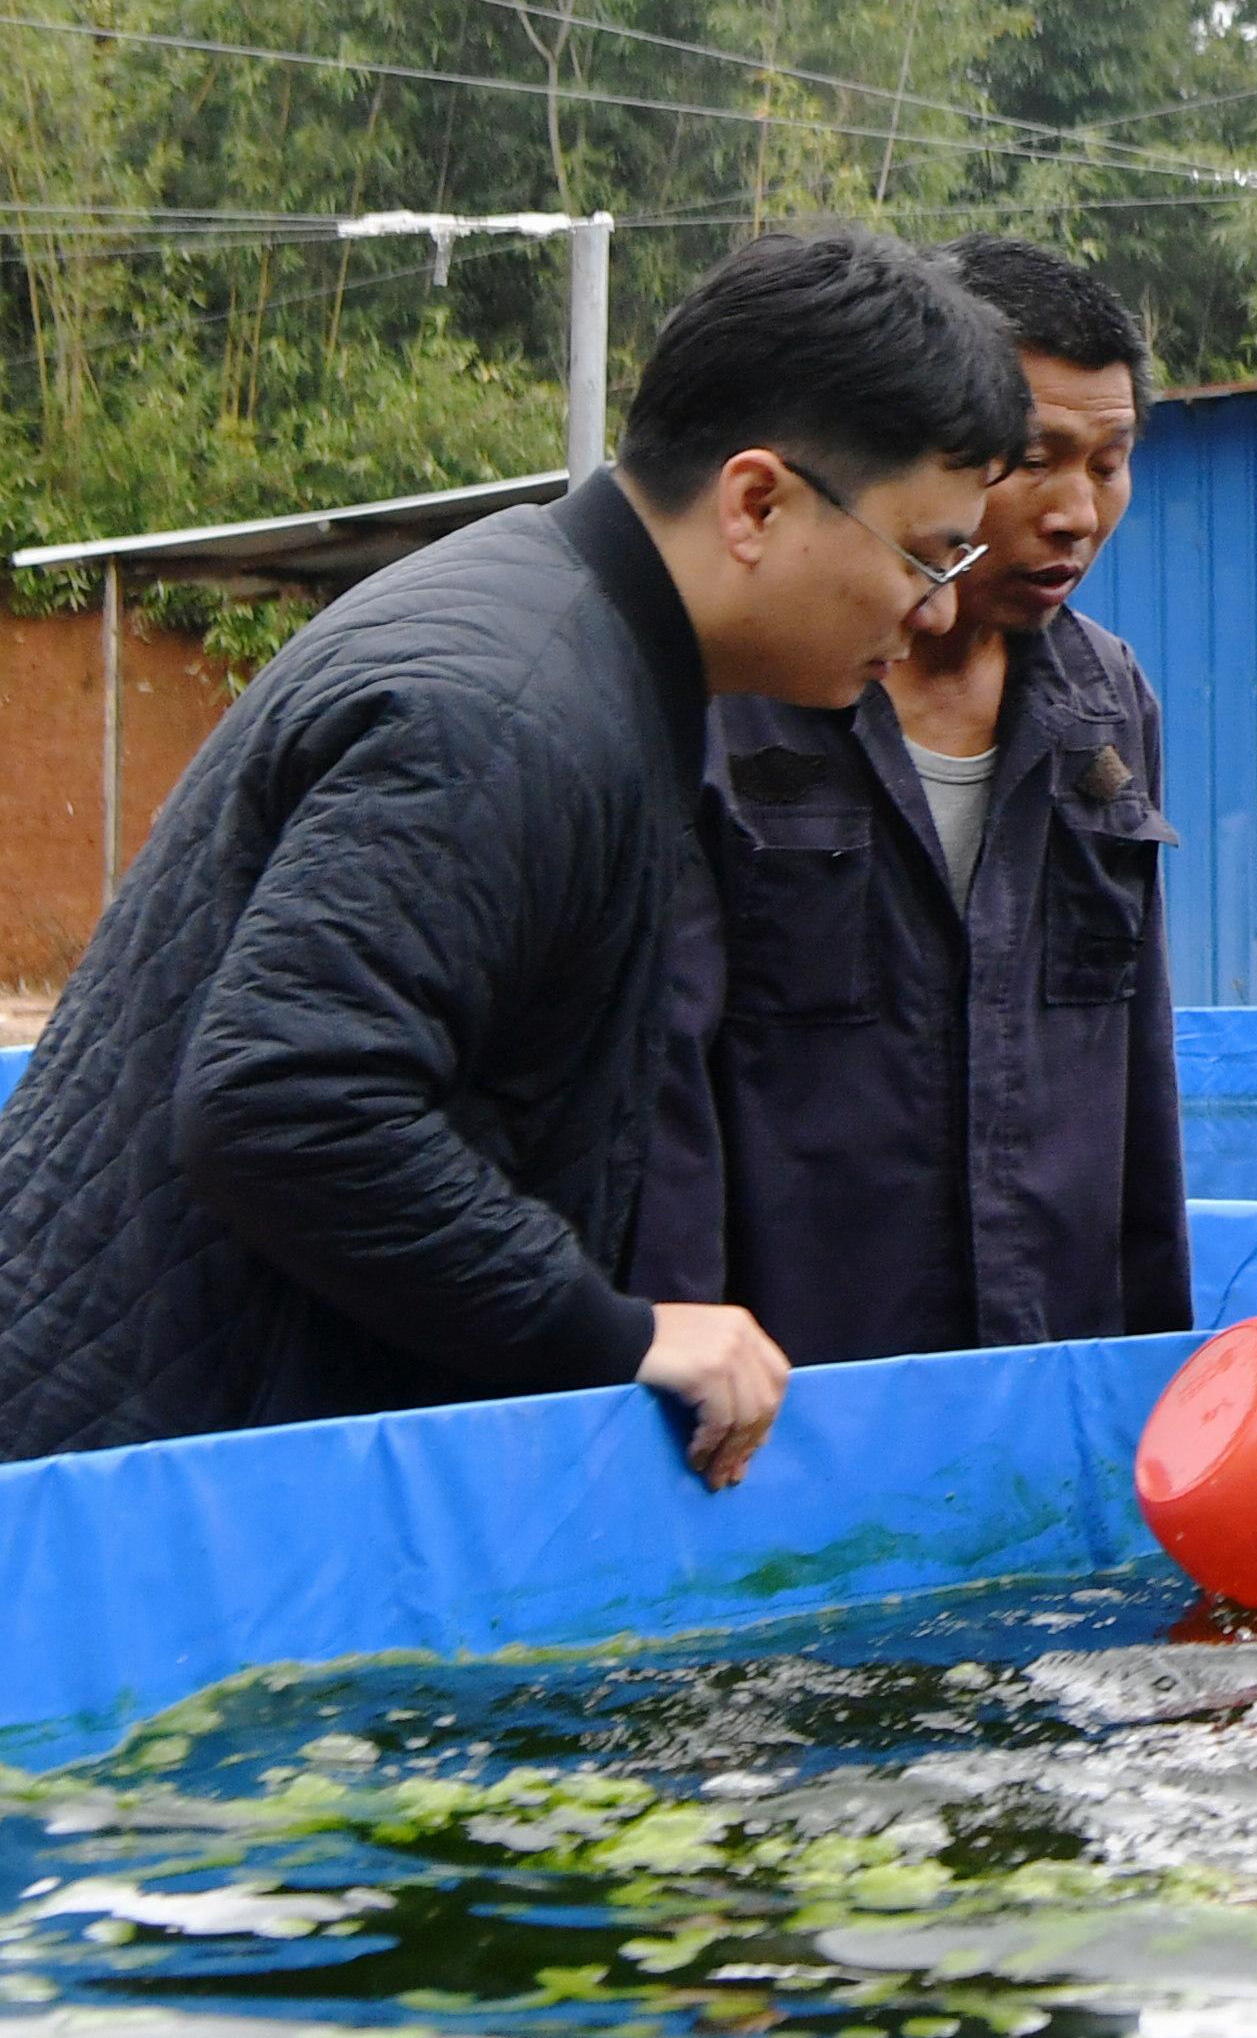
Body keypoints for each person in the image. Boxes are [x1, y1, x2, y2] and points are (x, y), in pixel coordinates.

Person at [0, 229, 1029, 1482]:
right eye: (925, 555)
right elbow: (289, 1107)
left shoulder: (562, 637)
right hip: (142, 1504)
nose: (933, 611)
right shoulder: (507, 708)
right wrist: (617, 1331)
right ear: (757, 502)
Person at [637, 238, 1189, 1364]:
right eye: (1037, 459)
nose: (1078, 511)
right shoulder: (742, 692)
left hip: (1050, 1389)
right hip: (784, 1403)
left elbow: (1138, 1087)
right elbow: (660, 1090)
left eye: (1112, 461)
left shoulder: (1107, 707)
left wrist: (1152, 1380)